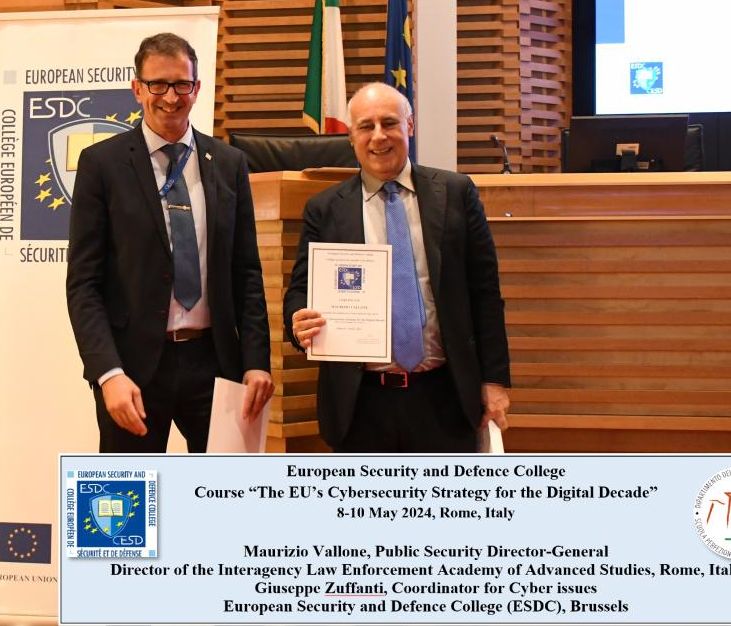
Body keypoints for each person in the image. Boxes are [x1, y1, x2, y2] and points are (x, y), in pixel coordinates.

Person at [66, 32, 273, 453]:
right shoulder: (102, 164)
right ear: (137, 88)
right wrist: (108, 373)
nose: (170, 97)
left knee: (226, 507)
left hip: (216, 365)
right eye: (157, 84)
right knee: (124, 511)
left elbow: (245, 273)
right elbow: (84, 285)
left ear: (196, 88)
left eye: (181, 84)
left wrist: (255, 362)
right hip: (134, 371)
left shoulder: (229, 164)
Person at [283, 82, 511, 452]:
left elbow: (485, 293)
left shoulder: (455, 193)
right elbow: (300, 290)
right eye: (365, 126)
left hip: (445, 397)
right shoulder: (325, 209)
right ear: (351, 136)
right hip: (360, 404)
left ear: (410, 124)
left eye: (389, 123)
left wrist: (495, 380)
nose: (378, 137)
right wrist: (298, 322)